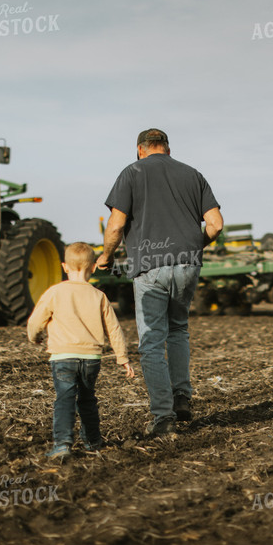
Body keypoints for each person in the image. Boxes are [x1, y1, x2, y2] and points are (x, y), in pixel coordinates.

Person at [96, 128, 223, 437]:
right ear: (167, 149)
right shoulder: (193, 174)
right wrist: (192, 247)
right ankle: (182, 397)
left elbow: (116, 225)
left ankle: (163, 415)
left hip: (148, 267)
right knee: (178, 329)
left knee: (152, 341)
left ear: (140, 150)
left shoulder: (132, 172)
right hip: (187, 265)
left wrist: (106, 257)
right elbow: (216, 224)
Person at [27, 242, 135, 460]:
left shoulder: (54, 292)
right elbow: (114, 329)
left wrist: (35, 337)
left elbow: (35, 321)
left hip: (63, 357)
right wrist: (122, 357)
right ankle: (93, 442)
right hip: (91, 358)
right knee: (87, 399)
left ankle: (62, 444)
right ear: (93, 267)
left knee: (64, 399)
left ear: (64, 267)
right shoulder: (99, 296)